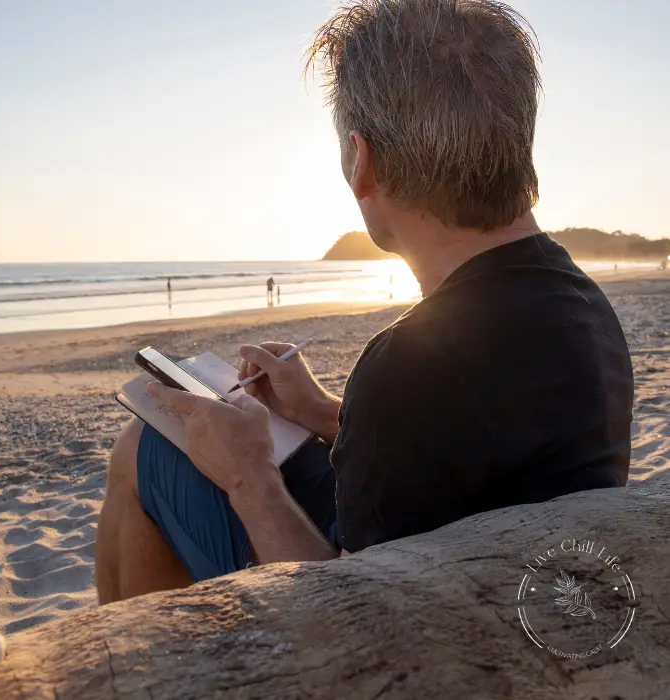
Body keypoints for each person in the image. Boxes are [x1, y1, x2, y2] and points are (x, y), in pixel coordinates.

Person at [95, 0, 633, 602]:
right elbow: (475, 449)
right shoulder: (584, 305)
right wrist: (324, 412)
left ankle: (136, 659)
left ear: (361, 160)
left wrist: (250, 476)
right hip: (501, 573)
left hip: (432, 622)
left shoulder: (410, 365)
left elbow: (349, 606)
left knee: (141, 447)